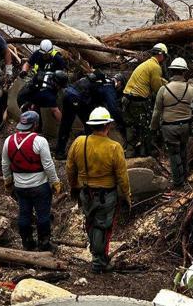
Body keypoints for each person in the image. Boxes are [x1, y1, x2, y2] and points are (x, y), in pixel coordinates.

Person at [66, 107, 132, 274]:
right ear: (108, 126)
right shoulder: (114, 147)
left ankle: (98, 254)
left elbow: (70, 167)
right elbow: (122, 176)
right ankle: (98, 261)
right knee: (102, 226)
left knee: (90, 222)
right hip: (106, 195)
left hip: (85, 192)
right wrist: (126, 195)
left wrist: (73, 185)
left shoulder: (79, 142)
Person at [1, 111, 62, 251]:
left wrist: (8, 181)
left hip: (20, 186)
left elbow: (5, 164)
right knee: (43, 215)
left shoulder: (8, 140)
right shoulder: (40, 141)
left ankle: (27, 242)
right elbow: (48, 165)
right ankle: (44, 243)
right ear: (35, 125)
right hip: (39, 186)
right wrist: (55, 181)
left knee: (24, 213)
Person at [150, 58, 193, 188]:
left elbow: (157, 112)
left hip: (169, 128)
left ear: (171, 72)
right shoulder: (190, 88)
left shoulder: (163, 90)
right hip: (185, 126)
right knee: (183, 151)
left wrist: (153, 127)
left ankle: (178, 183)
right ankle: (185, 177)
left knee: (174, 155)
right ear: (184, 73)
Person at [121, 43, 168, 157]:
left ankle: (130, 153)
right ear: (161, 55)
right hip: (138, 101)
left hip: (126, 98)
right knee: (145, 127)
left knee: (130, 127)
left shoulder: (146, 64)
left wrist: (165, 82)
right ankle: (145, 153)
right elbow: (157, 87)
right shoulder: (155, 67)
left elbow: (154, 80)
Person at [17, 70, 69, 140]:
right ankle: (27, 139)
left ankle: (36, 133)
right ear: (56, 84)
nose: (61, 88)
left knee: (38, 122)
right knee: (33, 123)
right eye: (61, 86)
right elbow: (55, 111)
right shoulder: (48, 95)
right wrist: (65, 126)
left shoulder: (50, 74)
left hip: (32, 96)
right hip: (25, 101)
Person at [54, 76, 94, 159]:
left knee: (66, 126)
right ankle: (60, 152)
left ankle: (59, 151)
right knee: (88, 124)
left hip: (73, 96)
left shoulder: (84, 79)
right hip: (75, 99)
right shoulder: (97, 85)